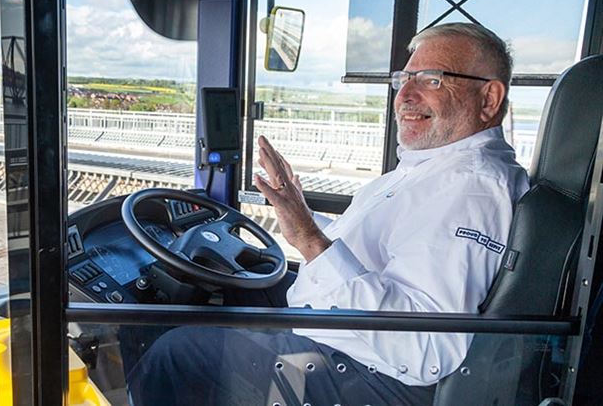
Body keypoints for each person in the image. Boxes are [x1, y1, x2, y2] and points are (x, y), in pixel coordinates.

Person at [126, 23, 531, 406]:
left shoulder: (470, 190)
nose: (405, 95)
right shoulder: (435, 170)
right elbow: (374, 254)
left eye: (431, 79)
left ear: (489, 99)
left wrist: (309, 239)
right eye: (403, 79)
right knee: (232, 292)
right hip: (345, 337)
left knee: (175, 351)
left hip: (366, 376)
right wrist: (303, 217)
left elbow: (424, 349)